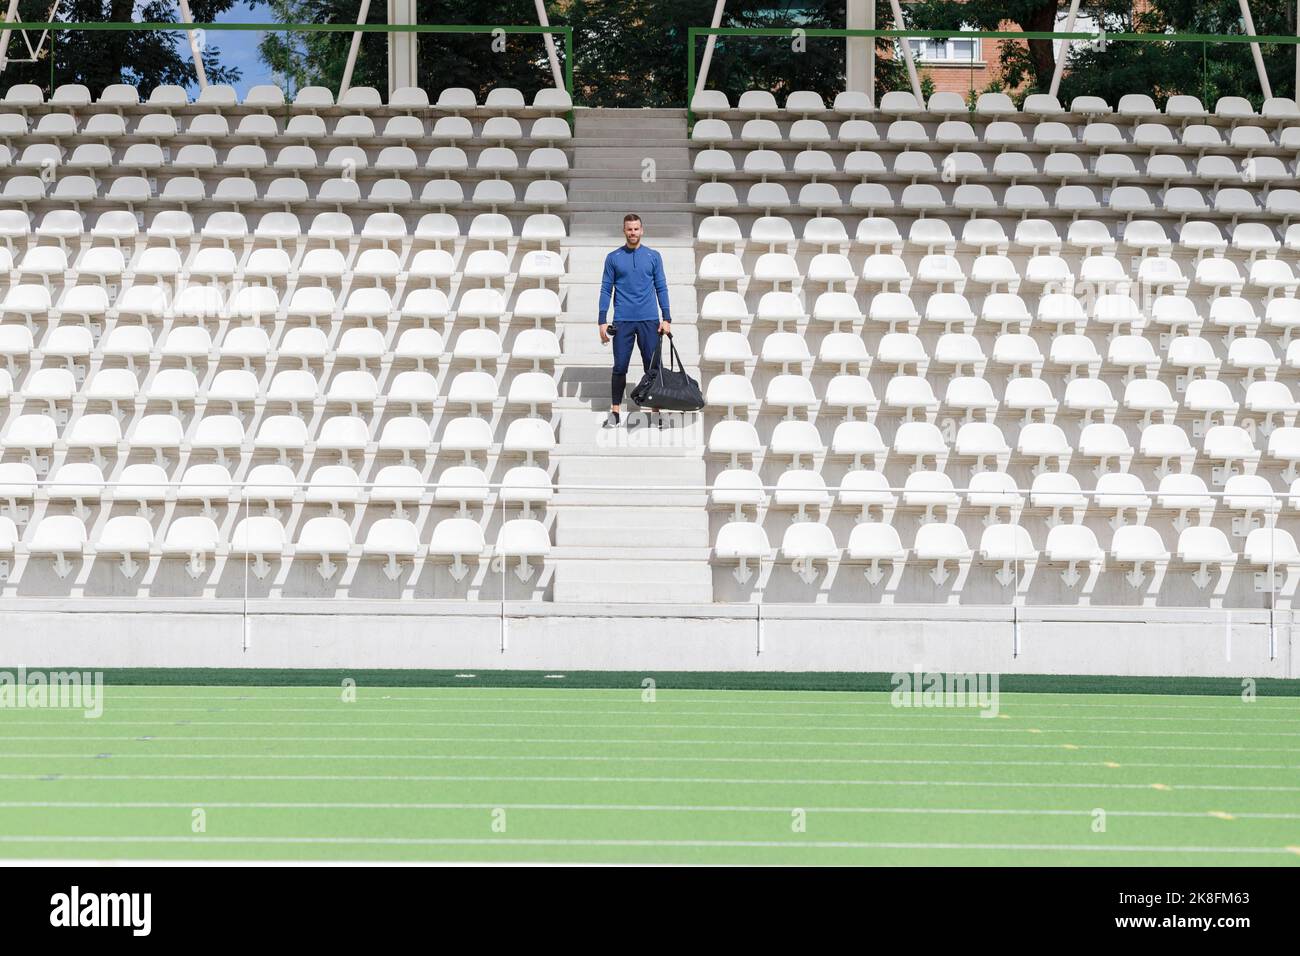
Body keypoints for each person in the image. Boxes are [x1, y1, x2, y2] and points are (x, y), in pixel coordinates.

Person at [597, 213, 672, 428]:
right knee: (620, 366)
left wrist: (666, 317)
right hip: (623, 320)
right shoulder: (613, 257)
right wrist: (602, 320)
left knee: (653, 366)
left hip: (649, 319)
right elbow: (605, 289)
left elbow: (661, 287)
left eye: (636, 229)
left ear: (642, 230)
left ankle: (656, 411)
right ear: (624, 230)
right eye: (629, 229)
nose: (633, 233)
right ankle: (615, 413)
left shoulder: (653, 256)